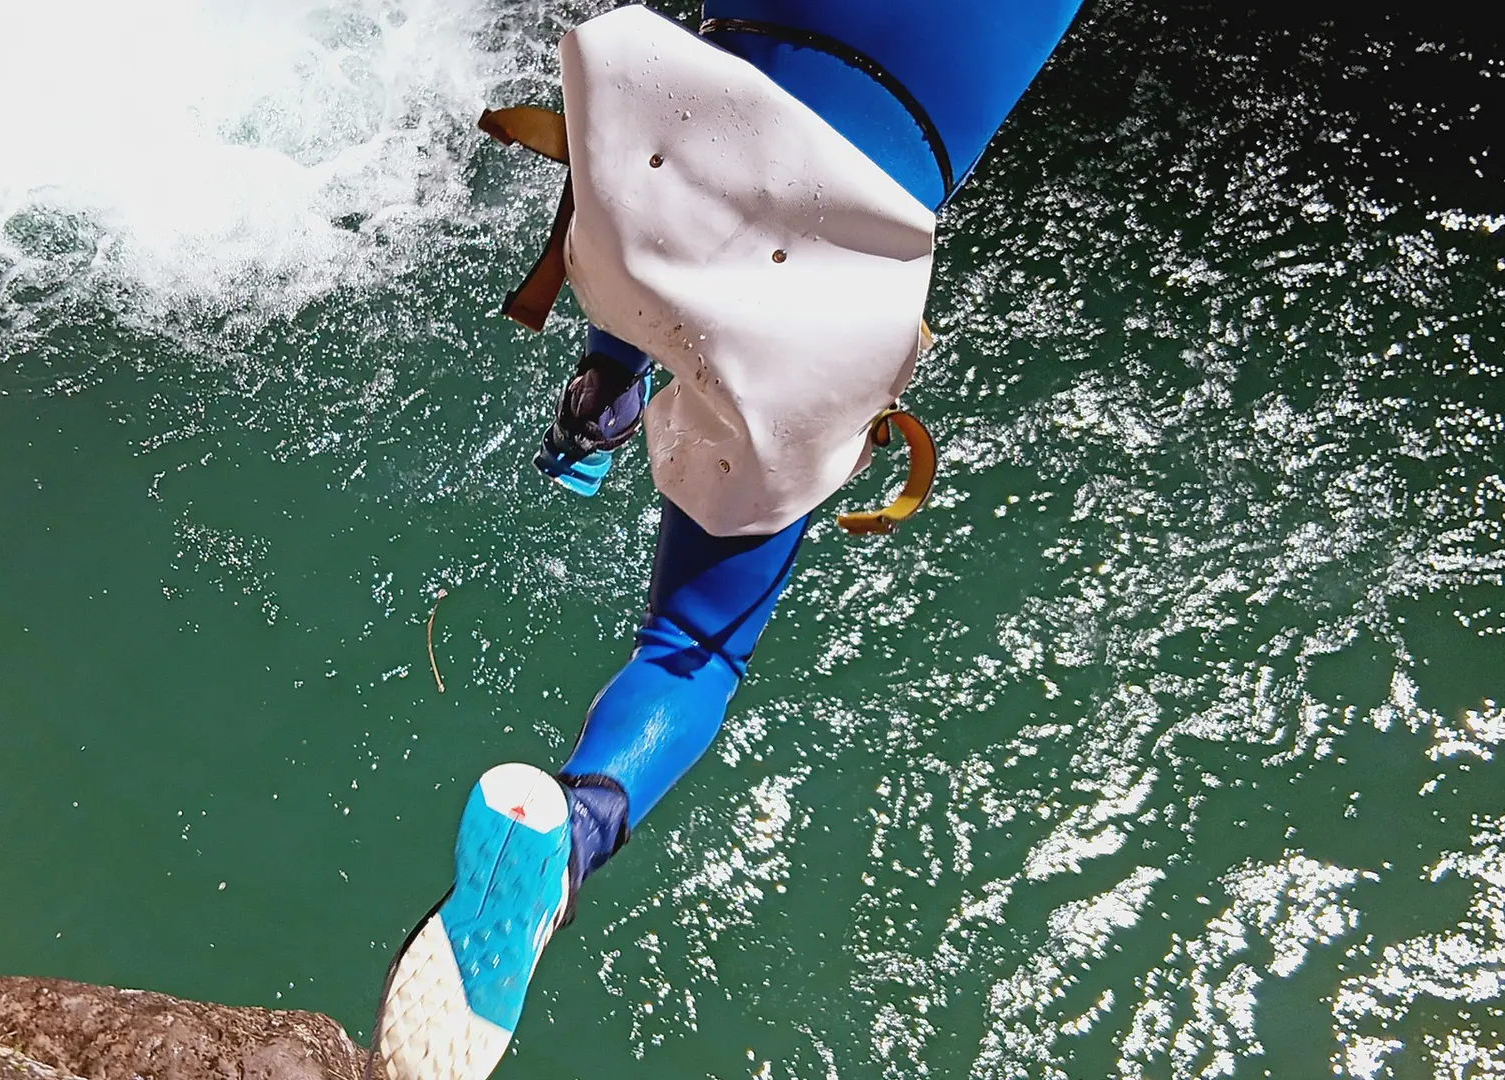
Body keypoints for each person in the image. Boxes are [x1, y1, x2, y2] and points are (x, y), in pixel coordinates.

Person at [370, 4, 1082, 1078]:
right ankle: (573, 832)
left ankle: (605, 387)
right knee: (694, 644)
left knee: (685, 146)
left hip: (656, 167)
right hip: (826, 285)